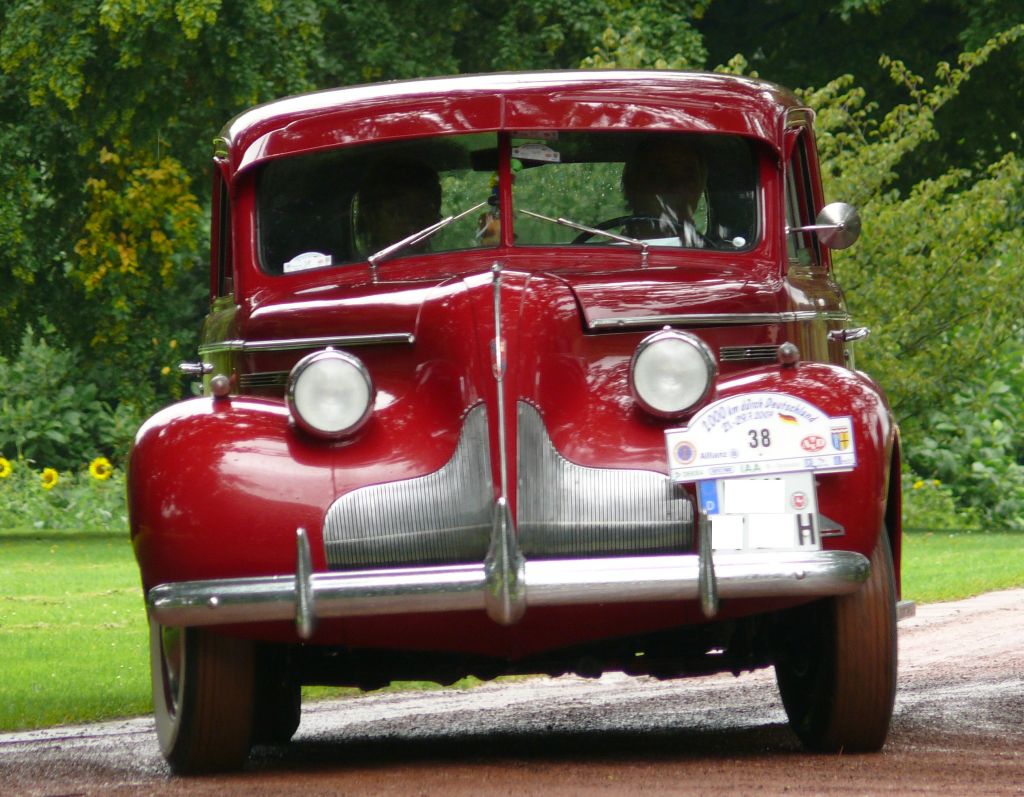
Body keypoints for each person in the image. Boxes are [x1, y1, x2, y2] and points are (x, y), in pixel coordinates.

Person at [620, 138, 708, 247]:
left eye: (688, 178)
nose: (677, 187)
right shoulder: (609, 254)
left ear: (700, 188)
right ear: (635, 185)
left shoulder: (722, 254)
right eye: (659, 176)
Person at [356, 158, 442, 254]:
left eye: (422, 212)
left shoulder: (453, 261)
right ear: (373, 218)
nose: (413, 226)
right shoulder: (355, 268)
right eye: (400, 213)